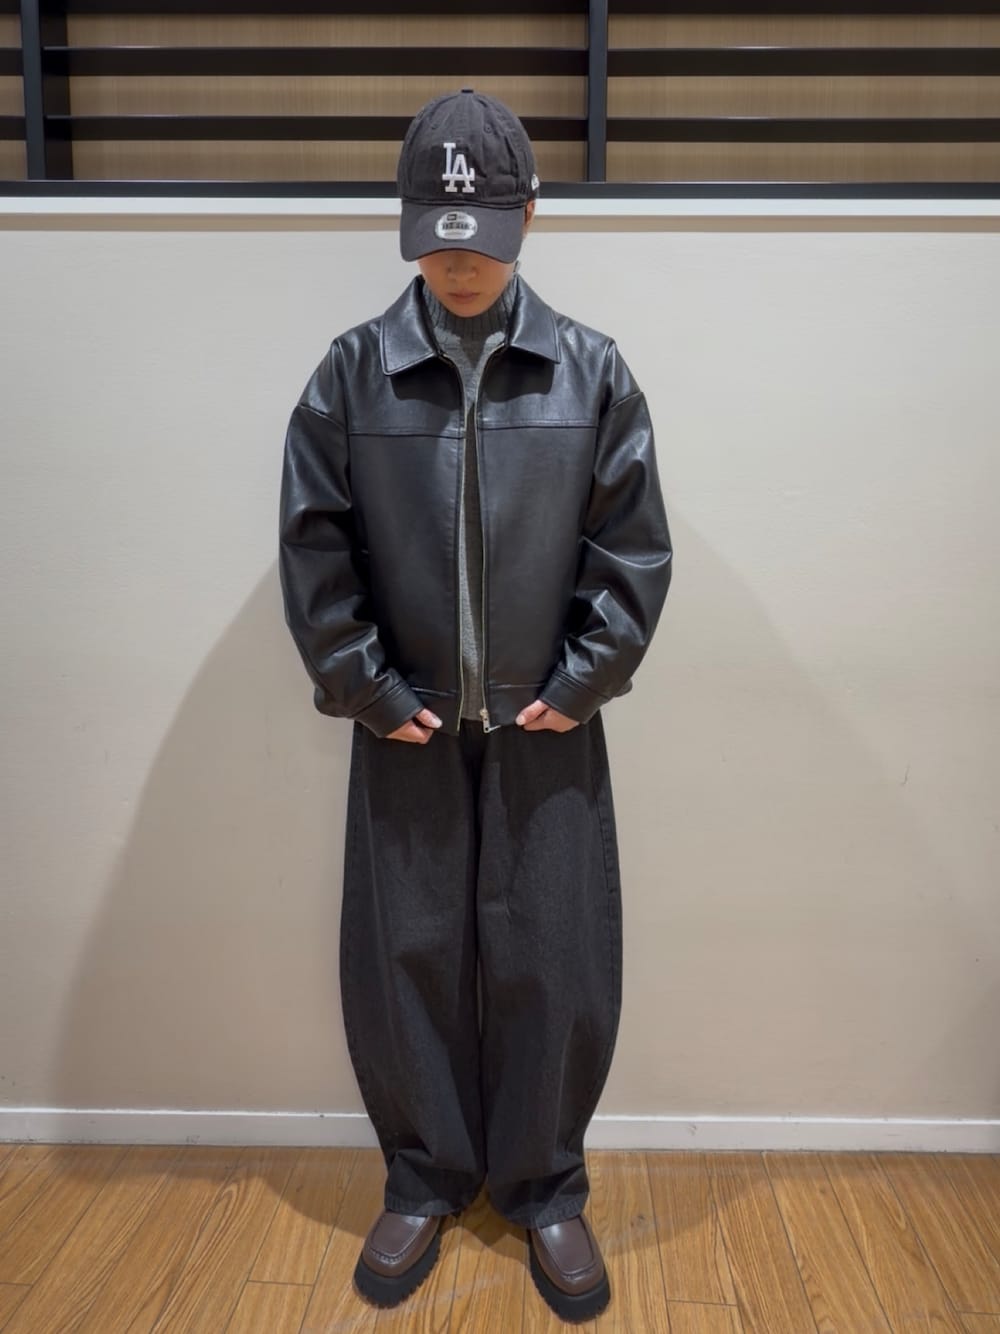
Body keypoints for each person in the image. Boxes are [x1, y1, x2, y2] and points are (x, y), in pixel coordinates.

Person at [278, 88, 673, 1324]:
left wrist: (578, 682)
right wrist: (365, 687)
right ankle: (422, 1176)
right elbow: (314, 549)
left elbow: (631, 549)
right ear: (408, 224)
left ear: (528, 218)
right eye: (437, 239)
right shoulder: (351, 372)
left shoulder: (591, 370)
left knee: (554, 956)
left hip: (545, 723)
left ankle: (546, 1186)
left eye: (482, 239)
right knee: (406, 955)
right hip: (401, 722)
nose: (457, 264)